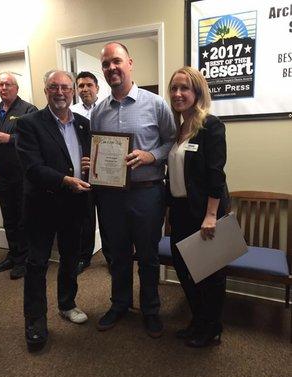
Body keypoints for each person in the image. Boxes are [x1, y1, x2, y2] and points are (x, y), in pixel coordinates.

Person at [87, 42, 176, 338]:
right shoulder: (98, 112)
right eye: (106, 64)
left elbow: (172, 142)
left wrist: (151, 156)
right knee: (118, 254)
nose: (111, 68)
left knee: (148, 255)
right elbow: (98, 148)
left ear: (129, 63)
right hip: (111, 195)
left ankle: (150, 309)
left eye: (117, 61)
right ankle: (120, 304)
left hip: (147, 193)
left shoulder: (156, 104)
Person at [15, 70, 91, 352]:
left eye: (65, 87)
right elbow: (32, 168)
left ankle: (67, 304)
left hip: (74, 205)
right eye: (54, 87)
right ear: (46, 90)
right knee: (37, 264)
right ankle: (35, 321)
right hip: (42, 206)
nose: (61, 92)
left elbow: (88, 160)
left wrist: (89, 166)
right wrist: (64, 180)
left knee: (71, 258)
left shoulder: (83, 124)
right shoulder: (28, 123)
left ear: (72, 91)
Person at [167, 66, 229, 348]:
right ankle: (198, 320)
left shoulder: (211, 126)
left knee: (210, 274)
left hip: (206, 213)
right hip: (181, 211)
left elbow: (216, 174)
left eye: (185, 88)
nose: (178, 94)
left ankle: (212, 329)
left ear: (197, 92)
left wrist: (211, 215)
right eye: (174, 88)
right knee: (184, 270)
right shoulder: (179, 129)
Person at [0, 71, 37, 279]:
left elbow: (36, 141)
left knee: (23, 219)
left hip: (23, 176)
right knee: (9, 218)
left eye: (7, 84)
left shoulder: (28, 110)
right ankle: (13, 254)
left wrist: (10, 138)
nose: (3, 88)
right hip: (3, 176)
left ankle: (24, 260)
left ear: (16, 88)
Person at [70, 71, 111, 273]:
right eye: (81, 86)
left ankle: (111, 257)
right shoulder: (70, 111)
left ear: (97, 87)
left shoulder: (107, 109)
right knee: (85, 218)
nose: (84, 89)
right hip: (82, 174)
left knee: (107, 217)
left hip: (105, 173)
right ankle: (84, 257)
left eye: (88, 85)